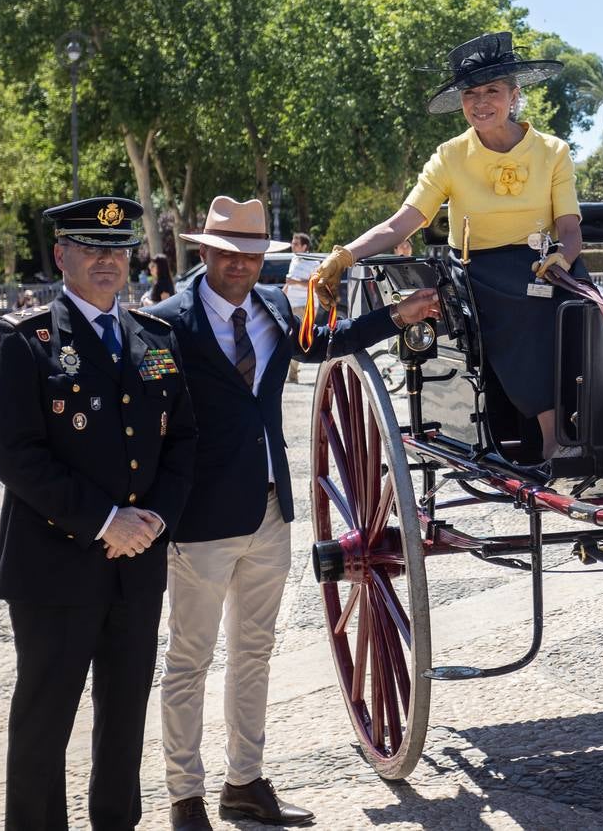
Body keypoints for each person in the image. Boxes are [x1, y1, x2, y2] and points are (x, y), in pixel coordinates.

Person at [149, 196, 438, 831]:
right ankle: (185, 797)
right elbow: (144, 418)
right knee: (189, 659)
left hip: (270, 512)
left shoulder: (275, 309)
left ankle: (245, 784)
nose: (240, 266)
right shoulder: (166, 323)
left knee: (254, 652)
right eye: (228, 254)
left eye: (251, 256)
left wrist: (397, 315)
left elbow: (327, 344)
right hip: (199, 519)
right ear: (205, 252)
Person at [0, 195, 197, 831]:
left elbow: (182, 440)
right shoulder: (24, 341)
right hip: (55, 567)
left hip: (136, 568)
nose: (107, 260)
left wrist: (154, 520)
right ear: (61, 255)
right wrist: (107, 521)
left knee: (124, 721)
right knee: (45, 723)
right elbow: (16, 457)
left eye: (117, 248)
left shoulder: (155, 337)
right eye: (90, 247)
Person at [313, 31, 585, 460]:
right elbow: (403, 222)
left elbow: (570, 230)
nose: (480, 103)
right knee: (525, 306)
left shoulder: (553, 151)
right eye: (470, 93)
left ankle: (602, 424)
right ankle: (554, 439)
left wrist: (563, 258)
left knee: (595, 309)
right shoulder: (448, 156)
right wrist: (345, 254)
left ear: (514, 95)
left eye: (492, 91)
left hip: (548, 264)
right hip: (481, 273)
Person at [282, 231, 317, 383]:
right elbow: (289, 281)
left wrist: (294, 283)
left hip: (304, 305)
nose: (292, 246)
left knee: (296, 339)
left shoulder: (313, 262)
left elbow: (313, 284)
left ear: (304, 246)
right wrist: (283, 293)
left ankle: (293, 374)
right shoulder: (295, 259)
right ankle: (291, 373)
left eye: (296, 244)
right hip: (290, 304)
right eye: (292, 243)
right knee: (287, 338)